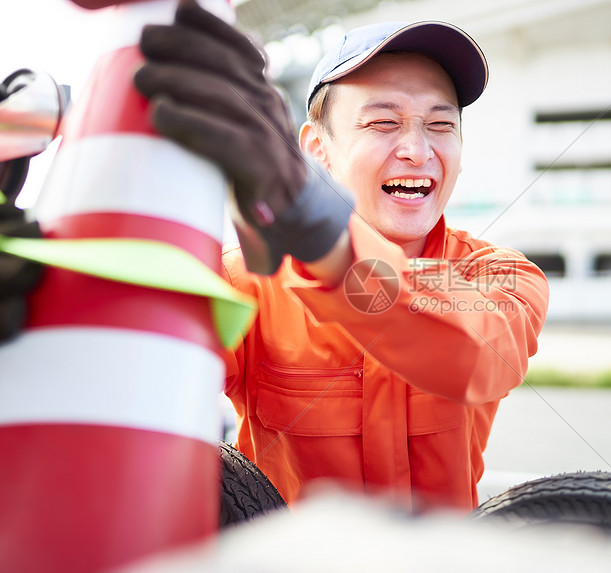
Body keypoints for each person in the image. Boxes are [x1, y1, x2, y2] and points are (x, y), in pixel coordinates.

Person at [2, 0, 549, 514]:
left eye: (440, 124)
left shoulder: (500, 274)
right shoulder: (247, 280)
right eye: (383, 122)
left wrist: (318, 230)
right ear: (316, 149)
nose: (417, 148)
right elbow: (114, 378)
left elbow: (479, 357)